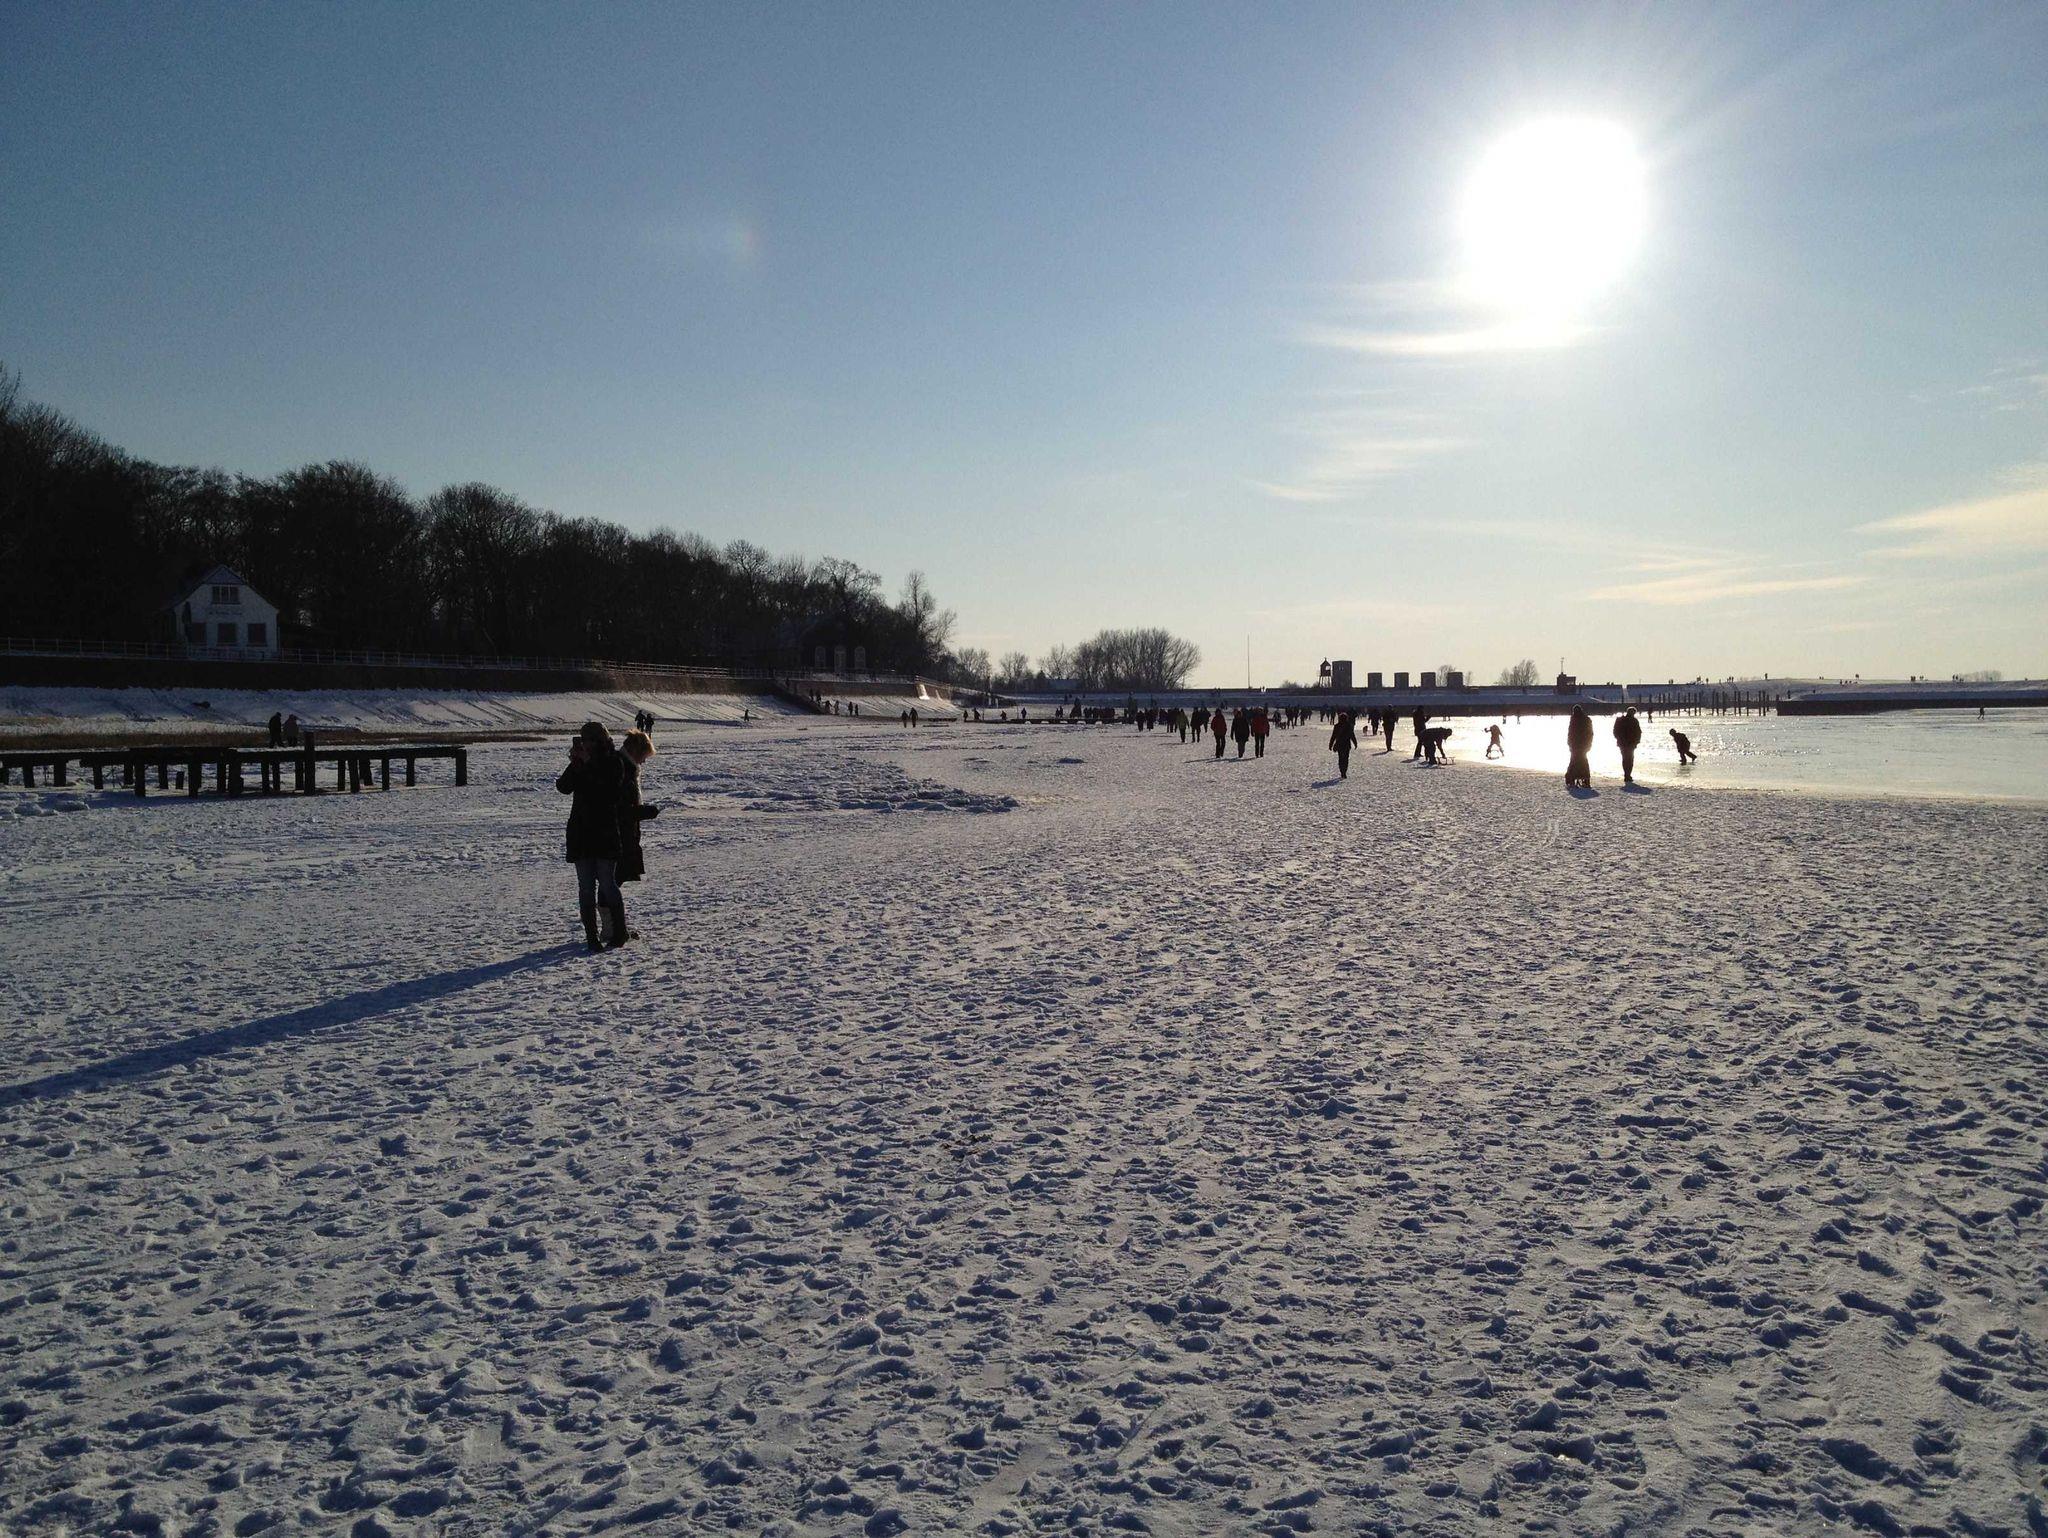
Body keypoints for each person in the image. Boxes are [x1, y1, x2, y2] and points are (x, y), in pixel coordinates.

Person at [558, 722, 629, 953]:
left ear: (598, 740)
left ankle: (619, 932)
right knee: (586, 888)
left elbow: (609, 792)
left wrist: (587, 764)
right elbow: (563, 787)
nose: (585, 744)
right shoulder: (582, 763)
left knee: (608, 884)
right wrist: (575, 764)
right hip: (581, 833)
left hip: (604, 832)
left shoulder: (614, 761)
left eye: (587, 740)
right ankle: (591, 936)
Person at [613, 729, 661, 932]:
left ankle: (613, 927)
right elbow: (622, 809)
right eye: (644, 756)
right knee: (613, 880)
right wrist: (644, 812)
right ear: (635, 751)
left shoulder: (624, 767)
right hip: (619, 834)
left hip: (623, 832)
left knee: (614, 879)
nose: (643, 761)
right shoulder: (623, 771)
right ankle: (614, 928)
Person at [1613, 707, 1643, 785]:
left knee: (1626, 759)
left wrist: (1620, 739)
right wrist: (1636, 741)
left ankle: (1627, 774)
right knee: (1629, 759)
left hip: (1624, 743)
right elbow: (1638, 732)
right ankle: (1627, 774)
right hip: (1630, 743)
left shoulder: (1621, 720)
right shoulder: (1633, 721)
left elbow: (1615, 732)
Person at [1565, 706, 1594, 788]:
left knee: (1574, 761)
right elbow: (1590, 733)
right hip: (1582, 745)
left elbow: (1570, 733)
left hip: (1576, 745)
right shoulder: (1586, 719)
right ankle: (1585, 779)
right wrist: (1589, 744)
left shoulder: (1574, 719)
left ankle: (1572, 778)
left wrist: (1569, 743)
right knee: (1583, 761)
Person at [1329, 710, 1357, 779]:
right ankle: (1344, 771)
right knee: (1346, 759)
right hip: (1347, 745)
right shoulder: (1349, 726)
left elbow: (1333, 736)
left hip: (1339, 744)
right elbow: (1352, 735)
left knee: (1341, 758)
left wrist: (1331, 744)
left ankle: (1342, 771)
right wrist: (1355, 743)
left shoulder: (1337, 726)